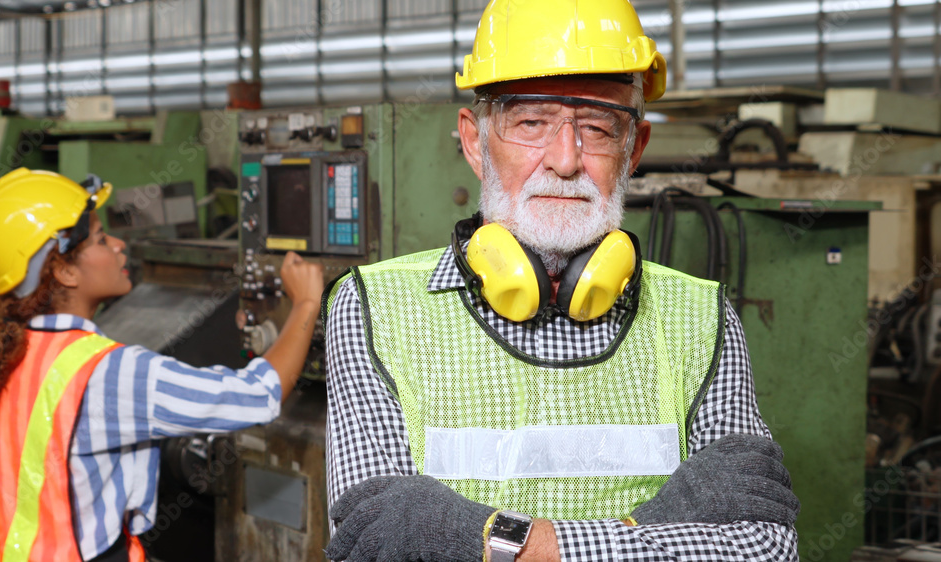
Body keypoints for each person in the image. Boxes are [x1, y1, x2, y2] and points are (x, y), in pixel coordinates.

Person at [322, 1, 800, 561]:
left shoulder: (701, 319)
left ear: (633, 150)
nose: (566, 159)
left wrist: (506, 546)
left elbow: (763, 548)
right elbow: (372, 543)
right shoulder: (375, 310)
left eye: (598, 128)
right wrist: (657, 528)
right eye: (531, 123)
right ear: (475, 142)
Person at [0, 168, 324, 561]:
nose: (120, 245)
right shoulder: (107, 372)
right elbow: (258, 395)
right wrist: (306, 303)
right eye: (101, 239)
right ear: (63, 270)